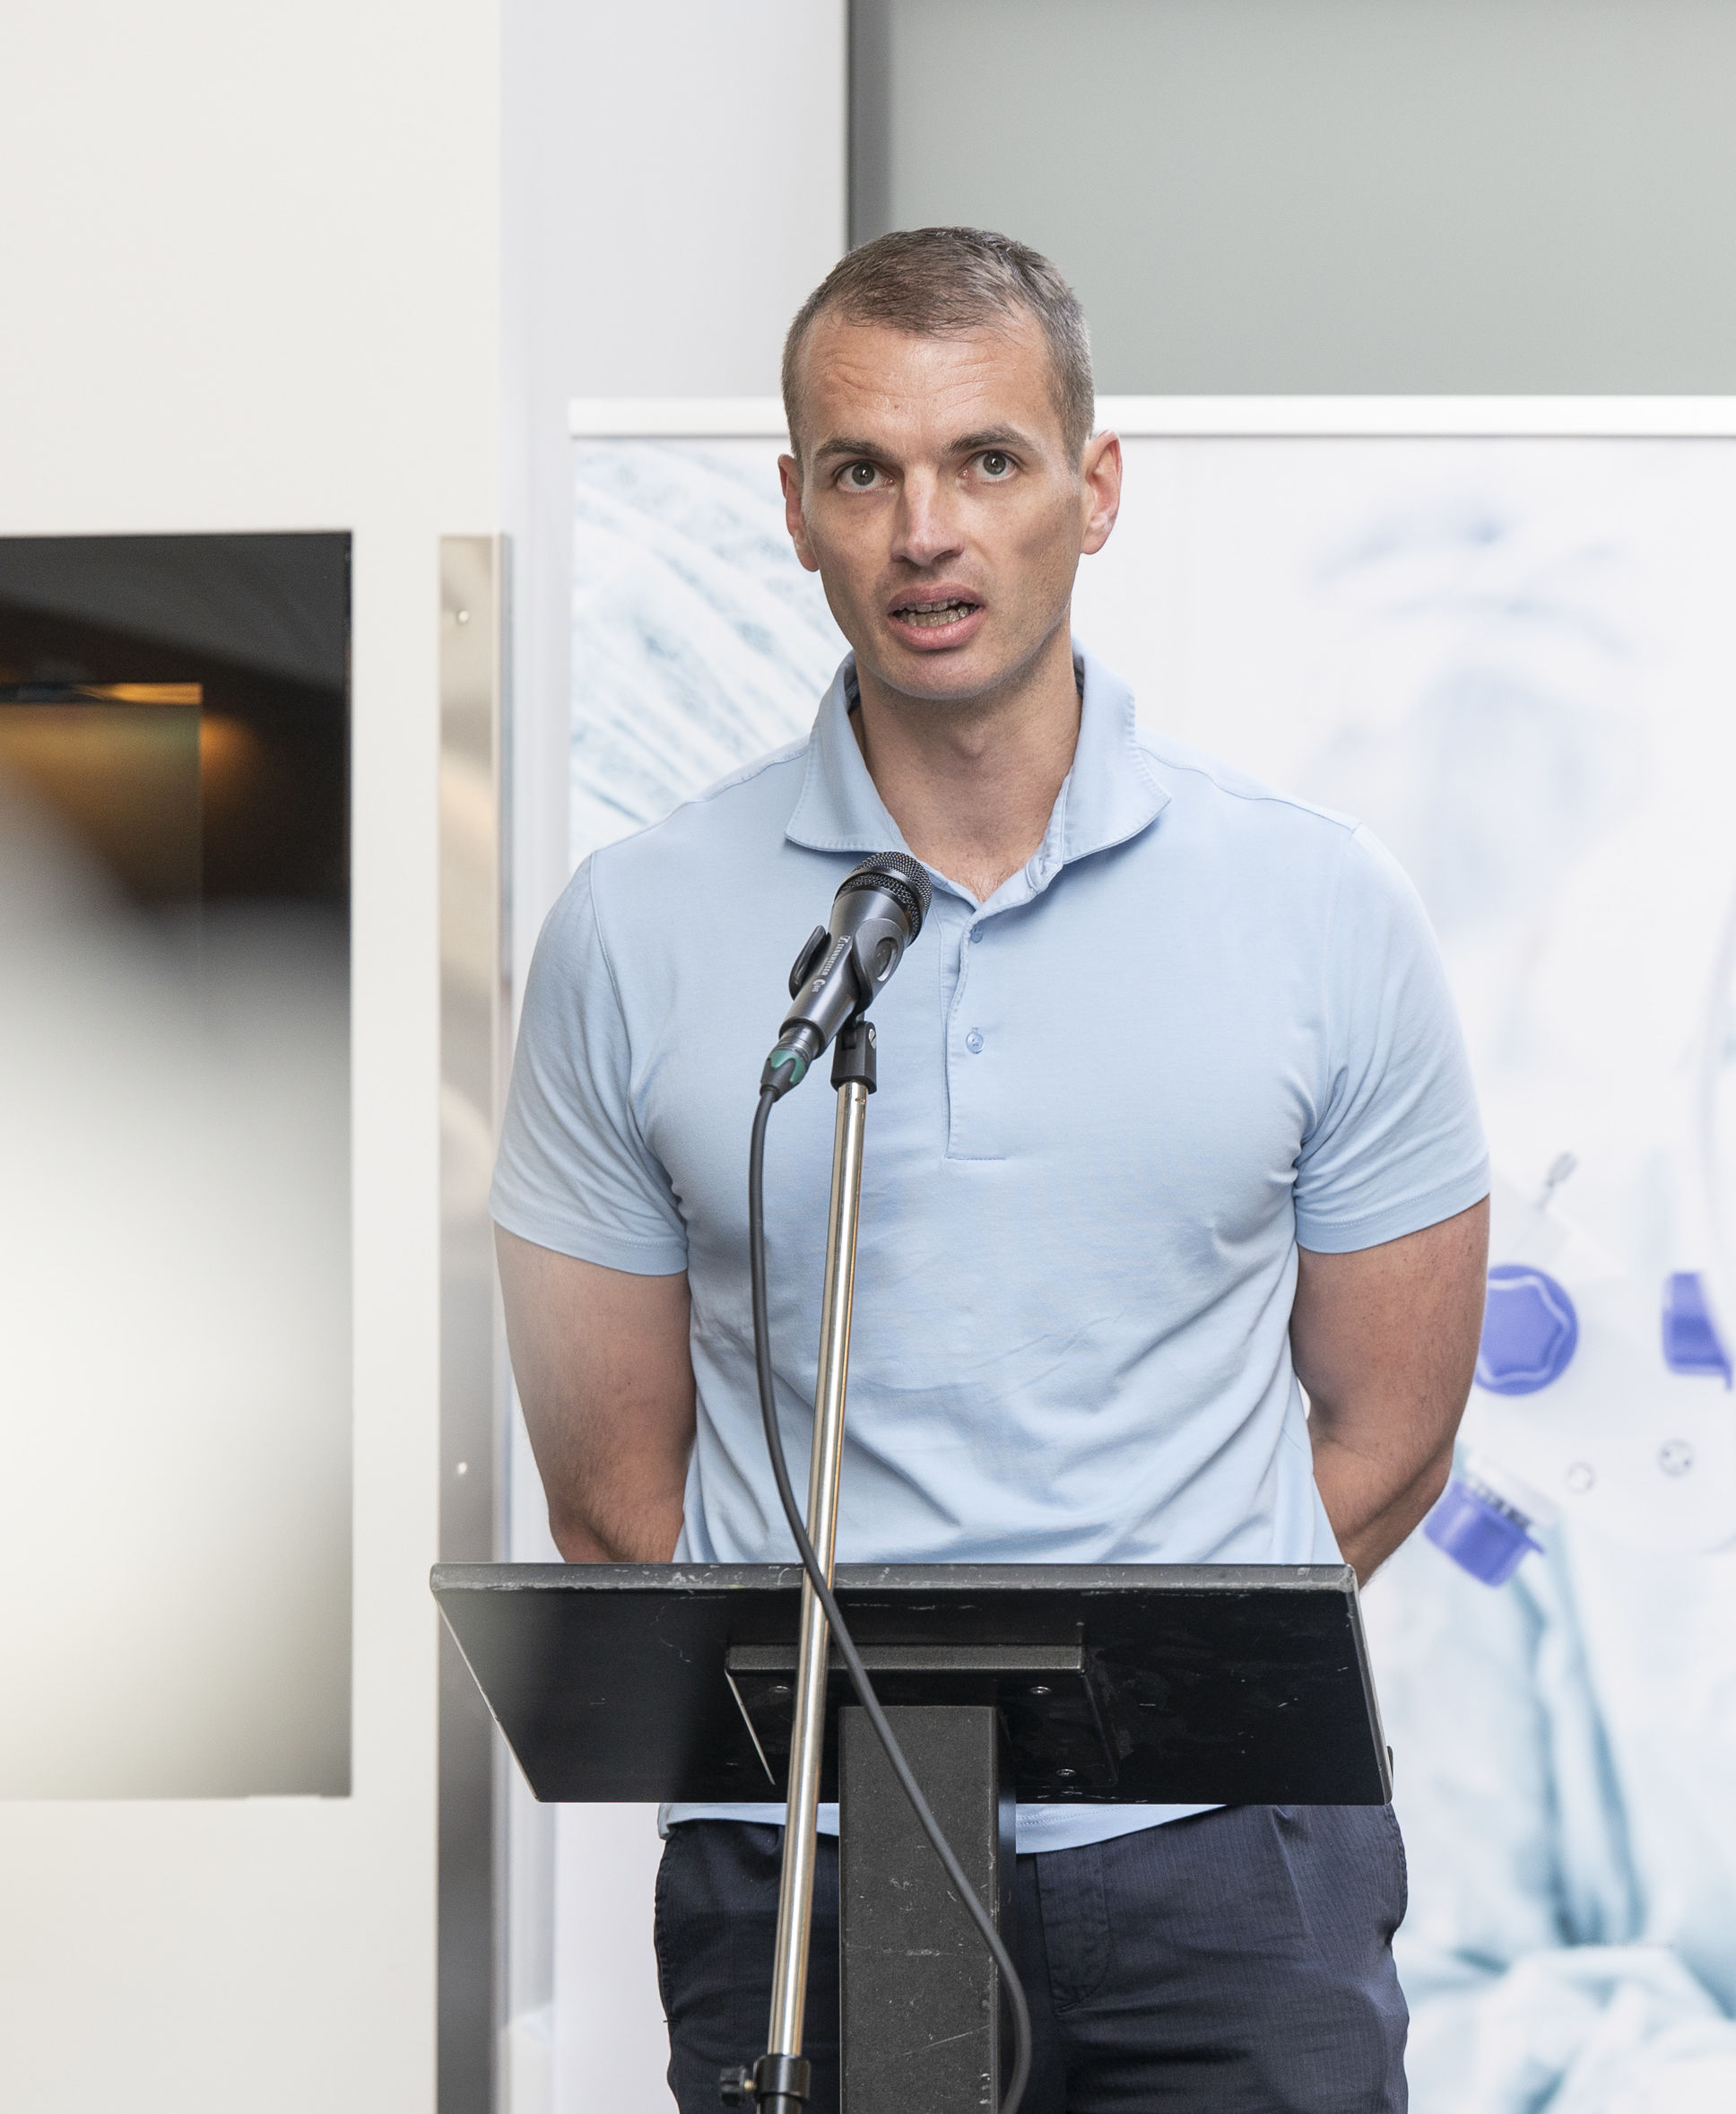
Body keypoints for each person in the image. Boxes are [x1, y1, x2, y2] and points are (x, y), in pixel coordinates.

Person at [491, 226, 1491, 2114]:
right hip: (817, 1857)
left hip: (1227, 1864)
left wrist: (1138, 1704)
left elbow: (1395, 1427)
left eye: (987, 461)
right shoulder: (632, 929)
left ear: (1093, 492)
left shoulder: (1318, 904)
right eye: (863, 472)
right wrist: (896, 1735)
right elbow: (616, 1500)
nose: (924, 531)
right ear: (796, 512)